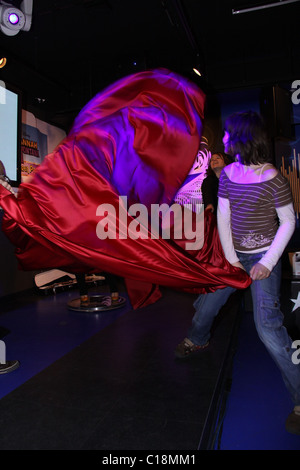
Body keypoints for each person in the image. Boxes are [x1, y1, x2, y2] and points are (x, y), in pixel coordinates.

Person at [175, 110, 300, 435]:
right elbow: (225, 220)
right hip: (237, 257)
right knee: (207, 306)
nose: (224, 139)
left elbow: (288, 222)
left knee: (267, 330)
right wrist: (231, 260)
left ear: (244, 138)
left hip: (265, 258)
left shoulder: (274, 178)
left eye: (229, 134)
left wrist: (267, 263)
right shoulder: (228, 174)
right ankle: (198, 339)